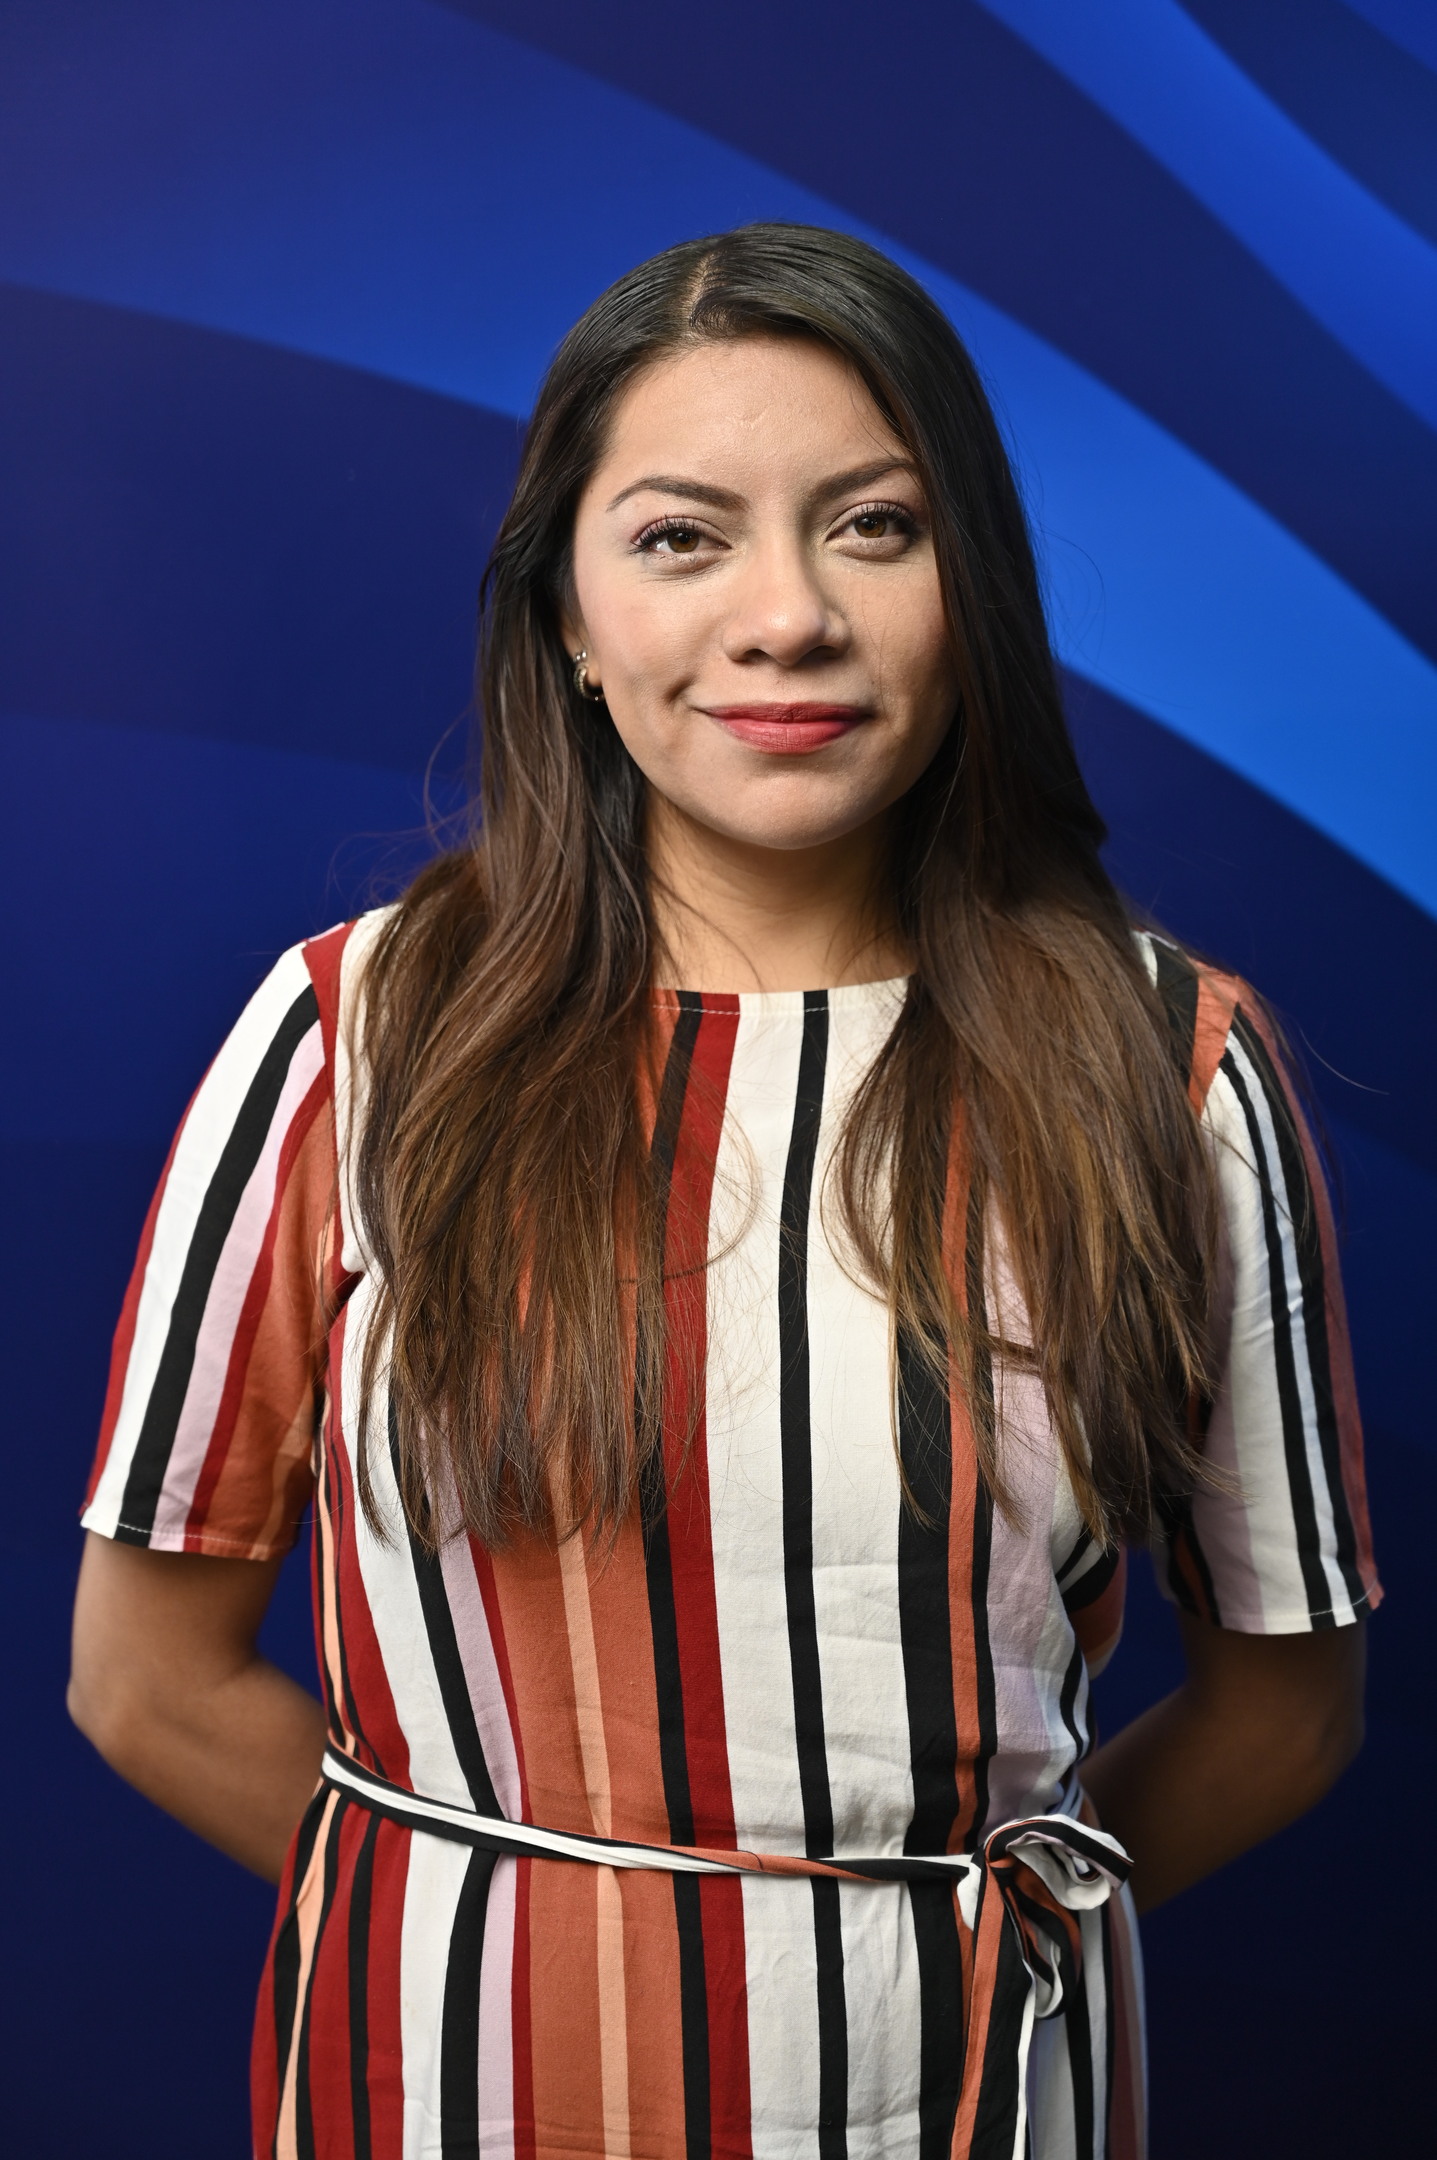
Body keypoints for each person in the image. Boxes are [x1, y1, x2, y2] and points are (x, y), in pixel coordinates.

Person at [68, 225, 1378, 2160]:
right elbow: (146, 1680)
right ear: (568, 619)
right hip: (444, 2096)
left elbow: (1287, 1709)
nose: (786, 618)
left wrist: (921, 1959)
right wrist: (536, 1937)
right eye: (682, 538)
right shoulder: (353, 1040)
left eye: (873, 528)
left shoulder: (1170, 1064)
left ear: (972, 587)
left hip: (975, 2105)